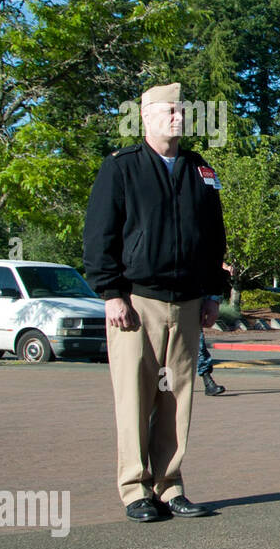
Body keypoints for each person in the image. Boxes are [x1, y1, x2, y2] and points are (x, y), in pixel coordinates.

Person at [83, 82, 228, 522]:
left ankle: (169, 486)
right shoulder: (121, 169)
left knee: (176, 396)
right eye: (168, 110)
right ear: (145, 116)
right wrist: (111, 293)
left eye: (182, 110)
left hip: (185, 303)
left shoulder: (200, 170)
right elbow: (100, 236)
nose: (178, 116)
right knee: (134, 395)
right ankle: (134, 490)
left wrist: (212, 292)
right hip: (135, 303)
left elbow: (212, 238)